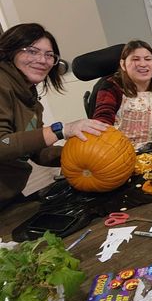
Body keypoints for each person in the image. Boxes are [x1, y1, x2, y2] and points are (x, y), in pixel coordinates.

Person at [0, 23, 108, 209]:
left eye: (49, 55)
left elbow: (37, 151)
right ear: (10, 51)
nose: (43, 60)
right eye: (32, 51)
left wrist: (86, 154)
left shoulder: (31, 100)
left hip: (10, 195)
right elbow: (3, 144)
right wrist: (60, 130)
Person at [92, 40, 152, 148]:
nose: (143, 64)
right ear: (123, 64)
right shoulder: (111, 87)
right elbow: (103, 120)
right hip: (118, 151)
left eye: (148, 59)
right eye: (135, 59)